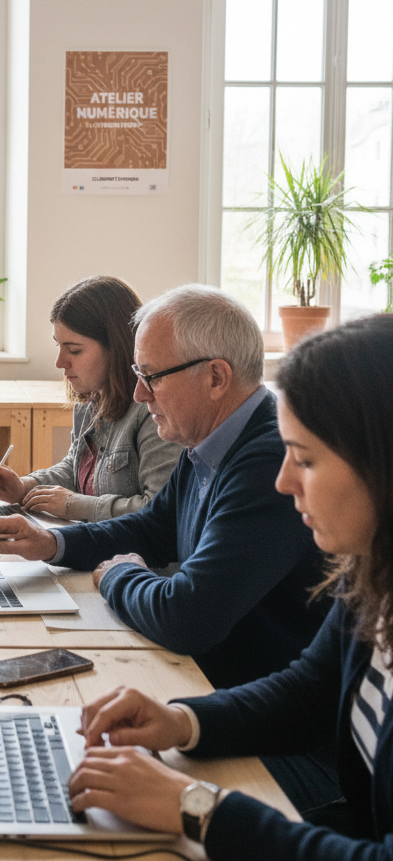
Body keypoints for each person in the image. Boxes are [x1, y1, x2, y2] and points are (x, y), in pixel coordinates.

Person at [66, 314, 393, 858]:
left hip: (334, 800)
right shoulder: (374, 572)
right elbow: (309, 692)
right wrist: (182, 721)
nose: (284, 481)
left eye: (305, 459)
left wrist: (197, 807)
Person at [0, 284, 327, 690]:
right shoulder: (208, 439)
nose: (139, 393)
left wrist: (119, 574)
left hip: (237, 694)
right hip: (205, 676)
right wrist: (52, 543)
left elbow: (189, 617)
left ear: (215, 377)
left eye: (152, 376)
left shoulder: (268, 463)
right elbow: (152, 528)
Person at [0, 276, 181, 521]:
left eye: (74, 350)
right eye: (59, 346)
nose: (59, 362)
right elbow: (75, 468)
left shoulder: (154, 413)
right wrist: (23, 487)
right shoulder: (90, 400)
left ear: (117, 347)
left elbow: (159, 512)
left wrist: (73, 505)